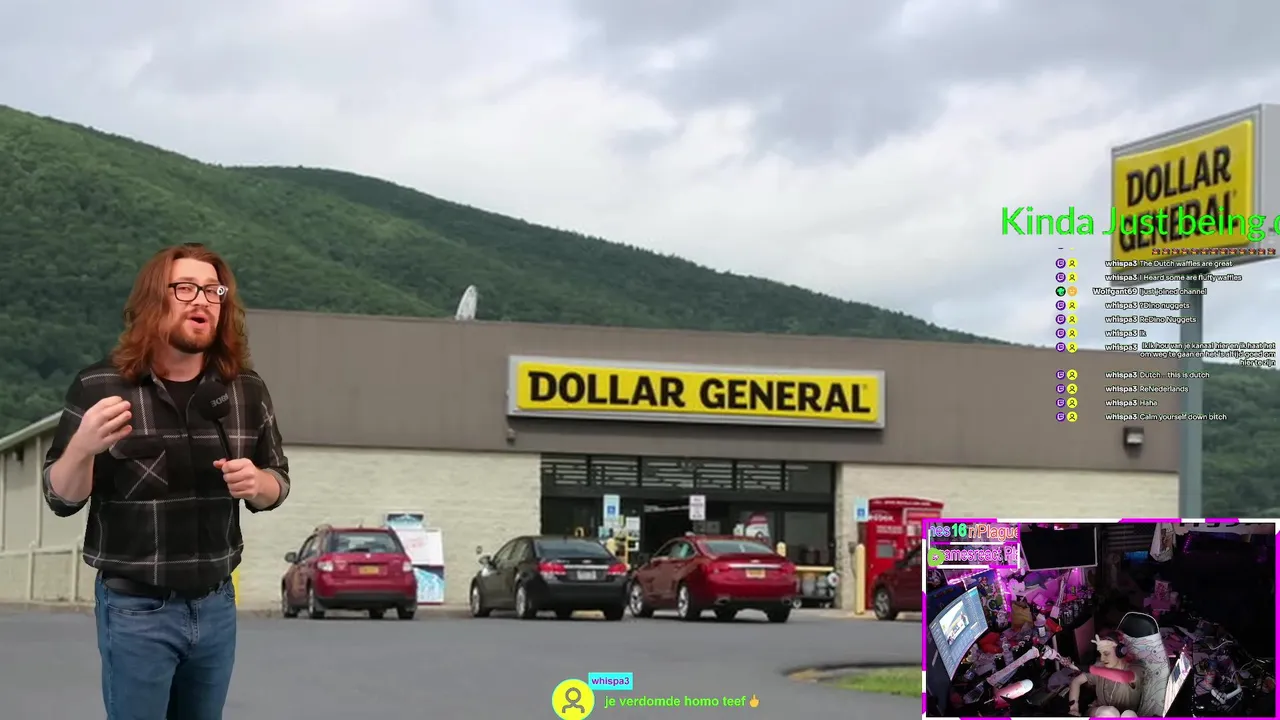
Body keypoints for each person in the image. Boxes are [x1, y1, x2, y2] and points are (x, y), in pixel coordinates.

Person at [42, 243, 291, 720]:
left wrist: (258, 483)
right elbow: (61, 497)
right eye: (186, 288)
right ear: (154, 299)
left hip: (216, 606)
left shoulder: (246, 390)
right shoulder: (100, 386)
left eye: (213, 291)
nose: (203, 300)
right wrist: (82, 448)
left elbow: (278, 482)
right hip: (135, 609)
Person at [1067, 631, 1142, 716]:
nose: (1102, 658)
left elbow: (1123, 677)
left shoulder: (1136, 668)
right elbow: (1076, 681)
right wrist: (1074, 708)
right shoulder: (1100, 665)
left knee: (1129, 714)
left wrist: (1089, 669)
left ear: (1120, 651)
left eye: (1106, 653)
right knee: (1110, 712)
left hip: (1125, 714)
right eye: (1101, 654)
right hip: (1099, 712)